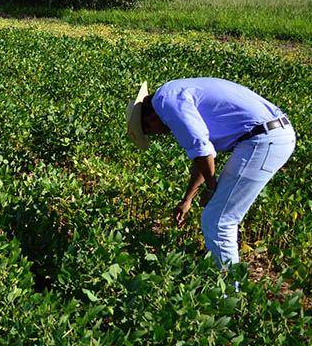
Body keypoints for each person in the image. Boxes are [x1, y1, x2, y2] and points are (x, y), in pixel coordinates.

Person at [125, 77, 296, 270]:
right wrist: (187, 199)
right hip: (271, 134)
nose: (162, 134)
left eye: (151, 132)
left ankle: (229, 291)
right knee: (218, 216)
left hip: (263, 140)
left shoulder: (167, 103)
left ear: (149, 120)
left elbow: (201, 149)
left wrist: (212, 187)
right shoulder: (171, 93)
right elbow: (201, 152)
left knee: (218, 221)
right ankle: (226, 282)